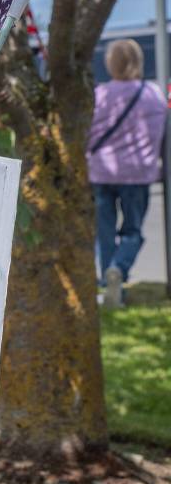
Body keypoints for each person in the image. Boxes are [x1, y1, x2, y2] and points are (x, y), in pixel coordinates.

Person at [87, 39, 168, 307]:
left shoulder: (99, 95)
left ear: (111, 63)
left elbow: (88, 135)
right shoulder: (154, 94)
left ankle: (111, 285)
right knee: (133, 231)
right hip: (139, 174)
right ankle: (119, 270)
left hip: (101, 172)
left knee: (104, 231)